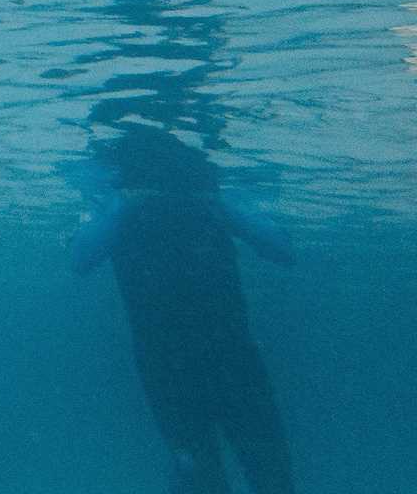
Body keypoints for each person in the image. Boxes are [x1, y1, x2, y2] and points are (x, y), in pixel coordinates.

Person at [71, 128, 295, 494]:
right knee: (208, 472)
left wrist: (212, 205)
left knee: (261, 468)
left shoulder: (202, 203)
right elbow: (80, 259)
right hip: (185, 361)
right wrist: (128, 205)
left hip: (211, 357)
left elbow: (282, 251)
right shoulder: (123, 207)